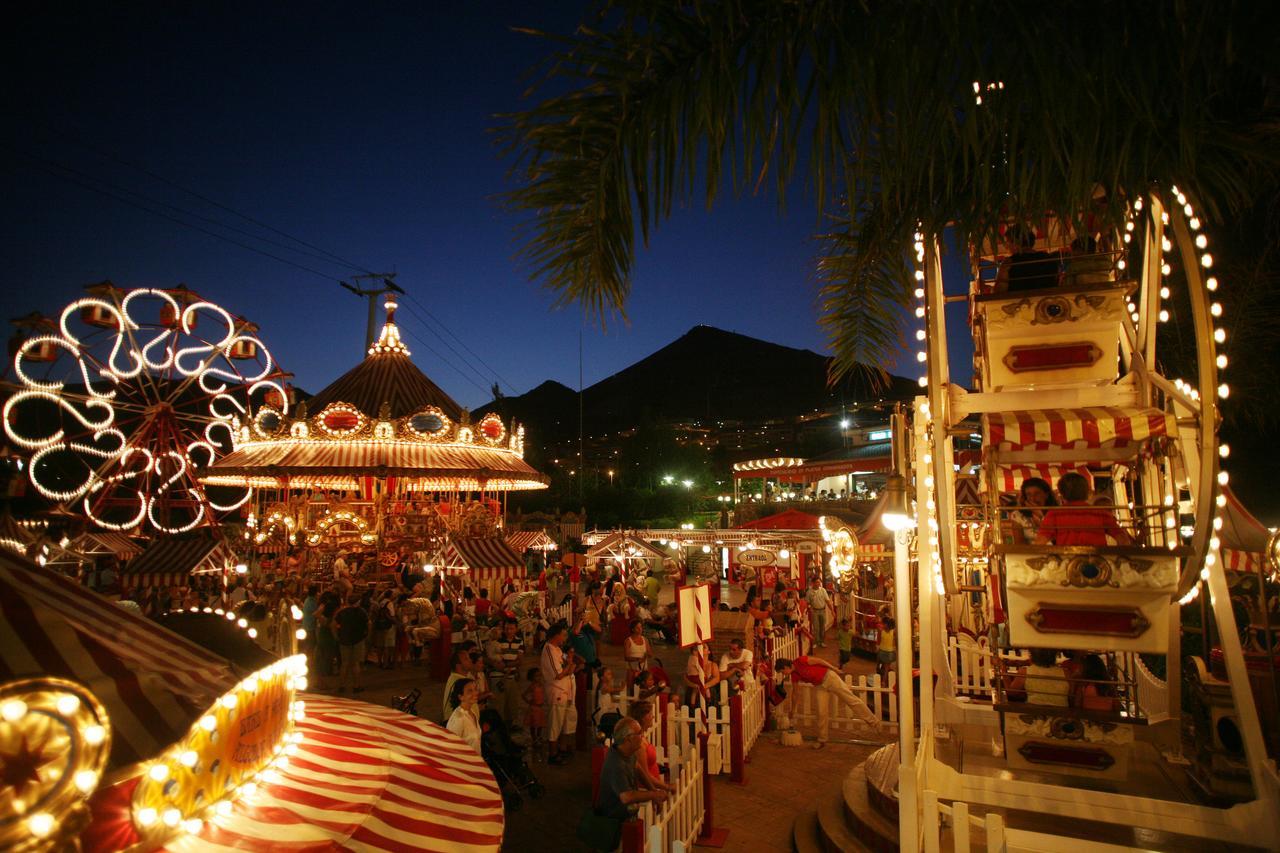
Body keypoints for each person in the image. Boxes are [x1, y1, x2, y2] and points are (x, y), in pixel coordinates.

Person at [775, 655, 880, 748]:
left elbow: (820, 661)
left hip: (830, 677)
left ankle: (874, 722)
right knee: (821, 712)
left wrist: (834, 669)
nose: (784, 674)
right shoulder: (794, 676)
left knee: (851, 700)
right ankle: (822, 739)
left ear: (785, 667)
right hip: (820, 686)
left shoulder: (801, 661)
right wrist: (793, 710)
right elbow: (795, 693)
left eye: (782, 672)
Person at [594, 717, 667, 822]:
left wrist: (653, 791)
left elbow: (638, 769)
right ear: (629, 738)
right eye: (639, 733)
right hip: (613, 819)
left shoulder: (625, 751)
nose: (642, 736)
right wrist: (654, 794)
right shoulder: (616, 764)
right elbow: (627, 796)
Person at [1034, 472, 1133, 546]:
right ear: (1087, 491)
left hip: (1066, 562)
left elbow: (1040, 543)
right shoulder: (1101, 513)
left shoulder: (1054, 514)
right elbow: (1123, 541)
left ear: (1061, 493)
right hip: (1099, 563)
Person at [541, 621, 581, 765]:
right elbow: (558, 674)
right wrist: (570, 664)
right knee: (555, 723)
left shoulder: (558, 650)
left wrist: (570, 663)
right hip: (557, 691)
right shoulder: (549, 650)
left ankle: (562, 748)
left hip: (567, 691)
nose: (565, 638)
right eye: (563, 635)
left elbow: (569, 667)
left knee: (566, 721)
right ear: (556, 635)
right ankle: (553, 753)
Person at [627, 700, 675, 795]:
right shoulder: (638, 743)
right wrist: (667, 787)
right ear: (643, 717)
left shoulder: (642, 737)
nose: (653, 717)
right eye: (650, 714)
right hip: (645, 789)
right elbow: (645, 775)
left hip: (651, 788)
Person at [998, 224, 1060, 293]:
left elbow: (1000, 291)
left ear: (1015, 242)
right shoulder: (1048, 259)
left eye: (1008, 243)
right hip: (1046, 301)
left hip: (1017, 301)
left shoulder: (1008, 263)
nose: (1007, 247)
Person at [486, 618, 525, 725]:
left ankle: (508, 726)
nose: (508, 631)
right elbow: (489, 657)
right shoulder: (497, 640)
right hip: (497, 676)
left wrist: (505, 665)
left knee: (511, 703)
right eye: (507, 628)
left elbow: (520, 660)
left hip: (511, 676)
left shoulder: (519, 641)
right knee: (498, 703)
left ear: (516, 629)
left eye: (511, 629)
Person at [334, 593, 369, 694]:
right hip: (358, 639)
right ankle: (356, 686)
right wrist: (366, 634)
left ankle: (341, 686)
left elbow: (334, 623)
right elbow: (368, 623)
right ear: (358, 602)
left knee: (344, 663)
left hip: (344, 640)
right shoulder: (361, 611)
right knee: (355, 663)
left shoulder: (342, 612)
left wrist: (336, 635)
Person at [1013, 477, 1058, 544]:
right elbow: (1019, 544)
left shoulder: (1056, 513)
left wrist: (1041, 516)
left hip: (1054, 552)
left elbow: (1057, 540)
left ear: (1046, 495)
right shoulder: (1018, 515)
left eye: (1037, 493)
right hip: (1029, 553)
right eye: (1028, 494)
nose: (1033, 498)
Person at [446, 678, 482, 753]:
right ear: (460, 697)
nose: (475, 693)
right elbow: (451, 747)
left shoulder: (472, 712)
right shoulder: (458, 719)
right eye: (470, 691)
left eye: (475, 689)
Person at [594, 668, 623, 740]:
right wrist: (621, 687)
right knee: (602, 728)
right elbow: (612, 689)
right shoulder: (603, 686)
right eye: (608, 674)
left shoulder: (606, 685)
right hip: (602, 712)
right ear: (602, 678)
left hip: (605, 711)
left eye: (611, 674)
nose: (611, 675)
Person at [805, 577, 832, 647]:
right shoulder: (809, 592)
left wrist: (832, 610)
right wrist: (809, 608)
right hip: (814, 611)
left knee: (822, 627)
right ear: (813, 583)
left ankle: (822, 641)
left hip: (822, 610)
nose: (818, 584)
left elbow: (828, 601)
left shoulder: (823, 590)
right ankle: (817, 642)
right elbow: (807, 603)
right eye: (817, 582)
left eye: (819, 582)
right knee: (816, 627)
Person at [523, 667, 546, 748]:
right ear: (532, 677)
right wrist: (529, 701)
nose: (538, 678)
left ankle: (539, 737)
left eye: (539, 676)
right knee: (533, 724)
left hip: (540, 708)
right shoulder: (532, 686)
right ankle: (534, 739)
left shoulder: (541, 685)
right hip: (534, 707)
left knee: (540, 724)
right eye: (536, 676)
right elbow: (524, 695)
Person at [876, 617, 896, 683]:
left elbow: (878, 641)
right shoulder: (892, 632)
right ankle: (883, 681)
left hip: (885, 651)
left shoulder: (882, 631)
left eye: (884, 624)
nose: (883, 625)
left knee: (884, 667)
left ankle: (883, 681)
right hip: (887, 651)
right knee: (884, 667)